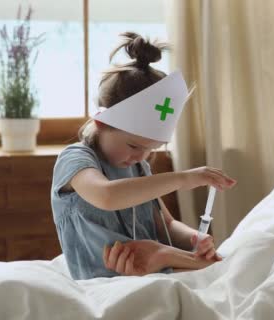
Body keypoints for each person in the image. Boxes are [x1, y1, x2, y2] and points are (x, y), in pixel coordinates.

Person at [51, 32, 236, 280]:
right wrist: (183, 178)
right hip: (100, 281)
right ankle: (171, 257)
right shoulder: (75, 160)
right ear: (102, 123)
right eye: (134, 145)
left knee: (222, 267)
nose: (142, 156)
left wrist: (194, 237)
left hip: (148, 275)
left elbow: (166, 225)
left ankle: (172, 257)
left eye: (152, 149)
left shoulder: (138, 168)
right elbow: (107, 196)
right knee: (219, 270)